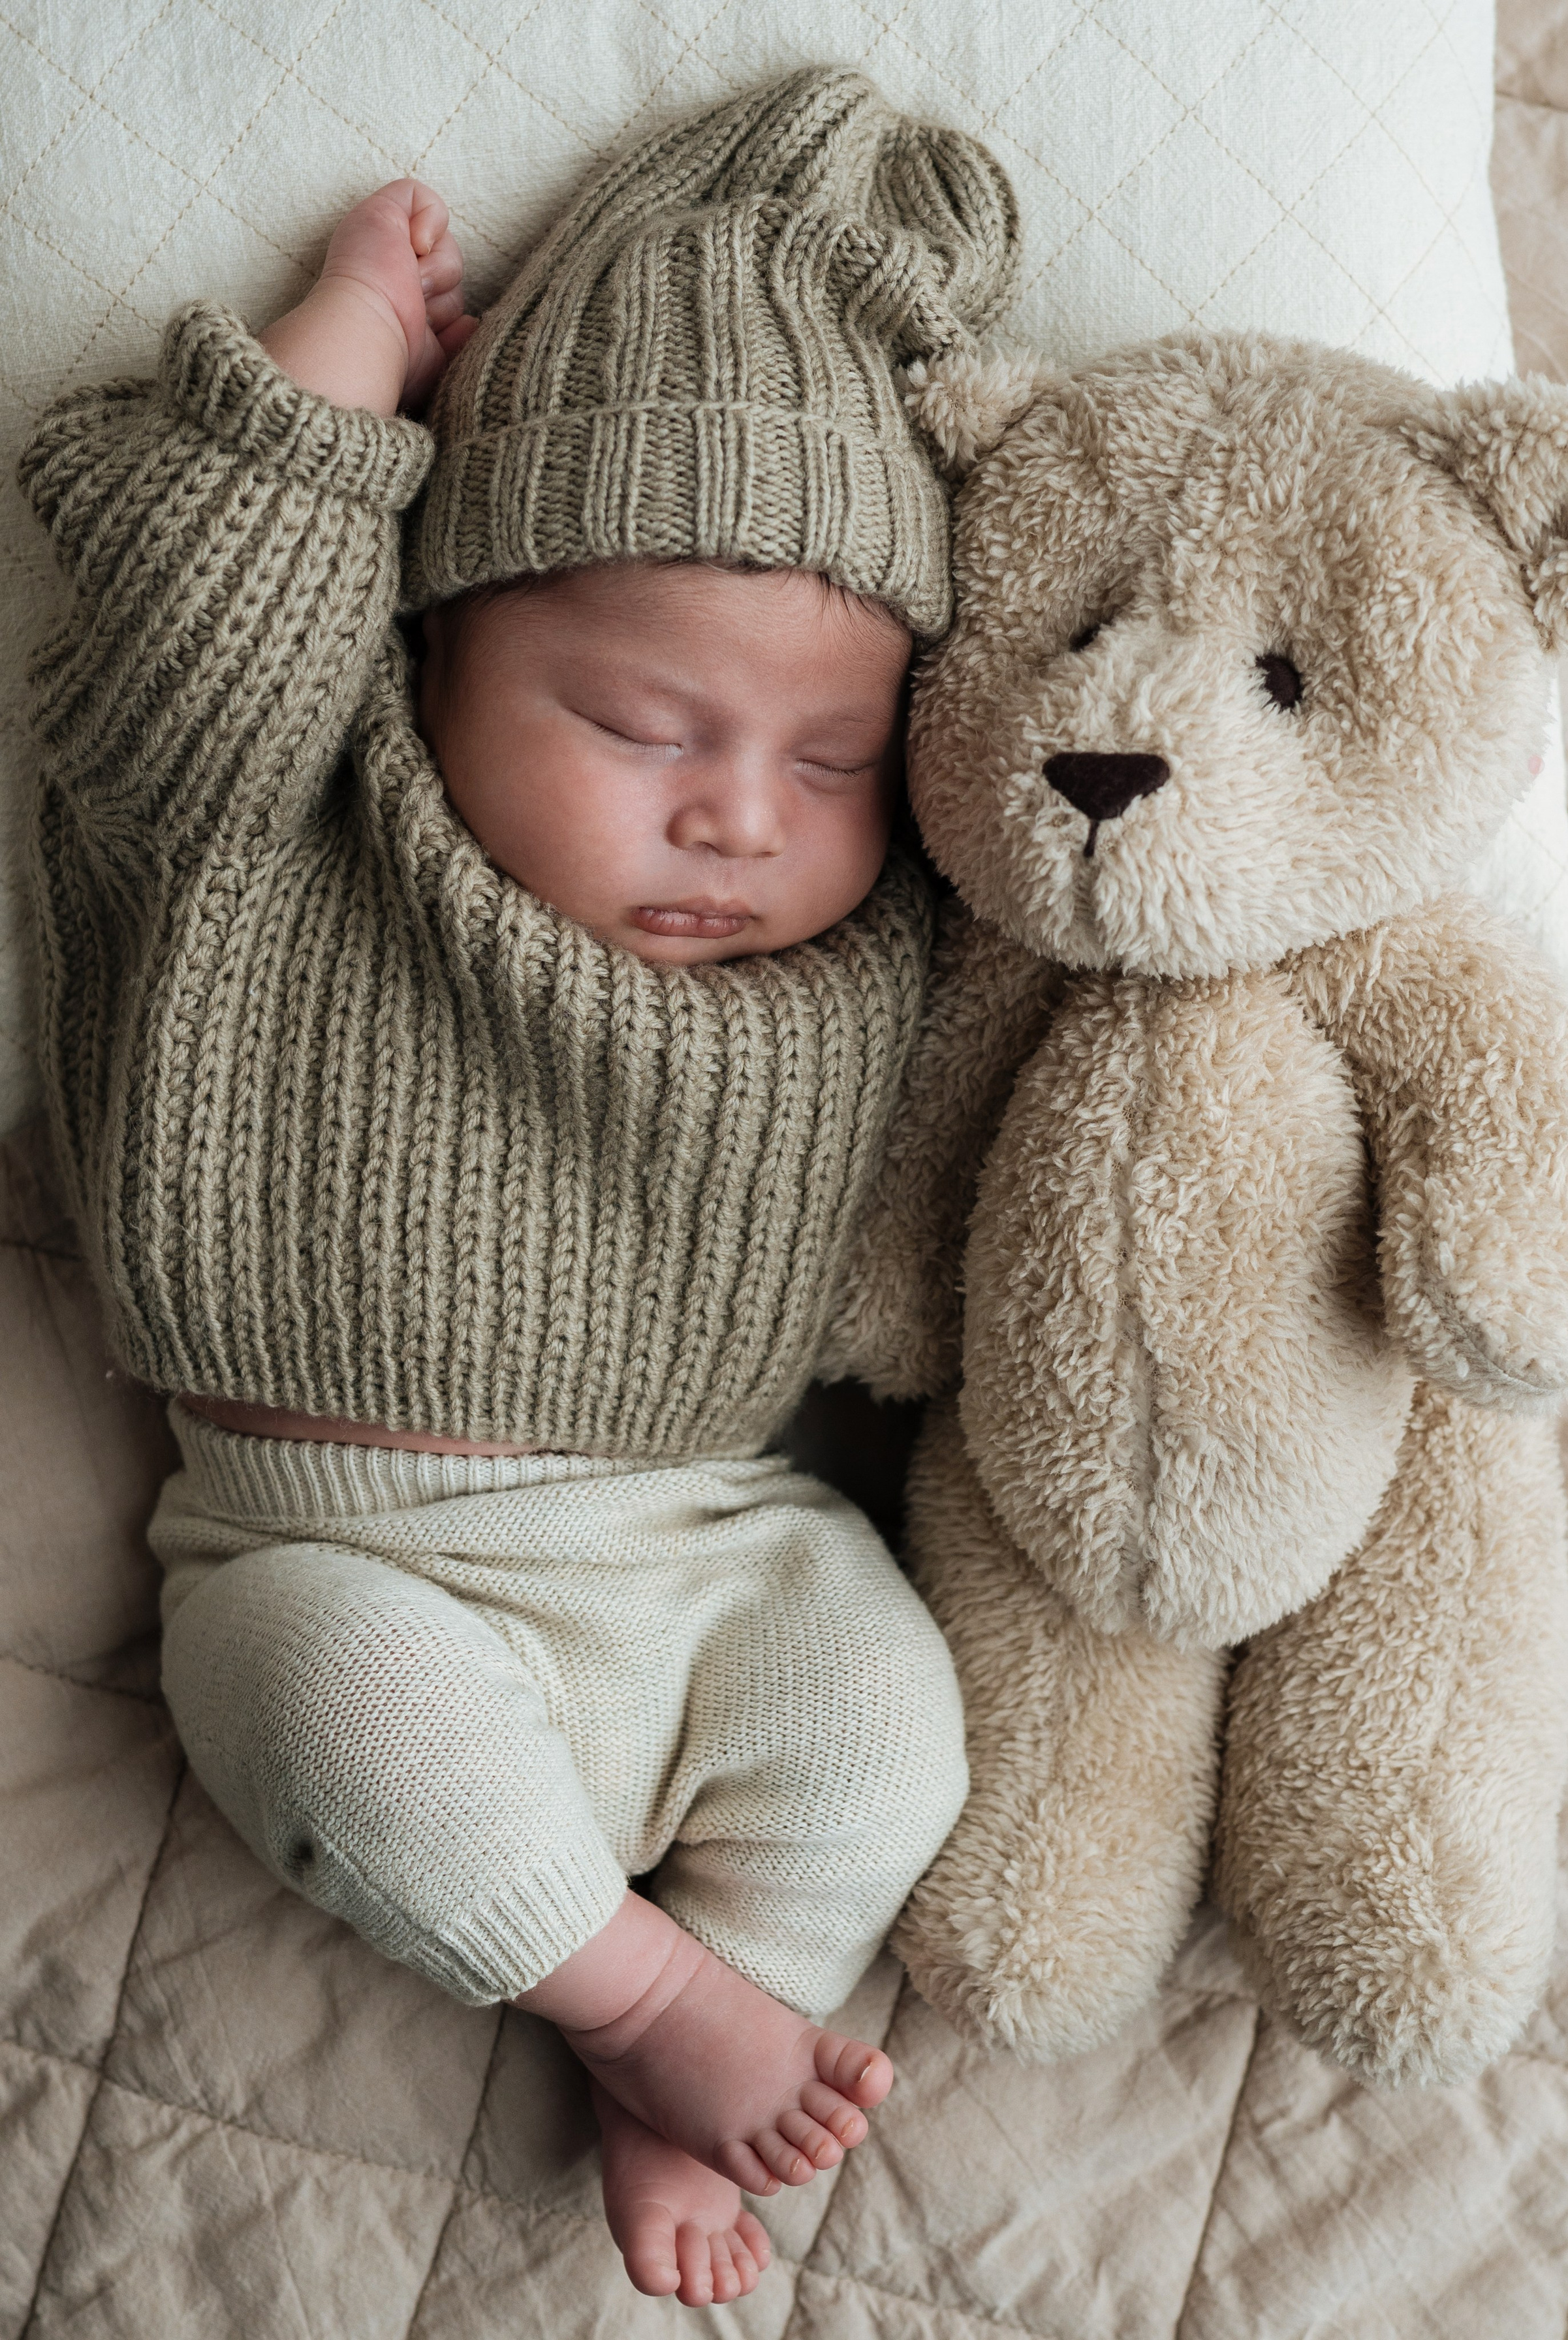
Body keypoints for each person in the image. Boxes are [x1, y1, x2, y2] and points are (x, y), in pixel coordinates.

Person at [19, 69, 1018, 2308]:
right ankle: (640, 2005)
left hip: (708, 1539)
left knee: (885, 1718)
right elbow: (188, 642)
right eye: (645, 727)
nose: (743, 817)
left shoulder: (869, 942)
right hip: (331, 1549)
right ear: (436, 643)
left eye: (829, 756)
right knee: (329, 1708)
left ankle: (724, 1996)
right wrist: (340, 364)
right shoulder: (280, 818)